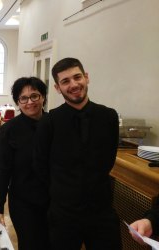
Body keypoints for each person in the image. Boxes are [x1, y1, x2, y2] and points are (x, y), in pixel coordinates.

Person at [34, 57, 122, 249]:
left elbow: (108, 160)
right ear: (58, 88)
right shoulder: (49, 122)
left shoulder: (108, 116)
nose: (73, 84)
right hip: (63, 212)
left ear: (86, 78)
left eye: (77, 77)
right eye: (65, 81)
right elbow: (41, 167)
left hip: (101, 210)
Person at [0, 77, 49, 250]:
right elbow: (4, 169)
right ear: (17, 102)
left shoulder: (55, 124)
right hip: (24, 202)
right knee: (30, 244)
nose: (30, 102)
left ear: (43, 97)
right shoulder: (10, 130)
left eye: (35, 96)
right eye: (24, 98)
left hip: (54, 201)